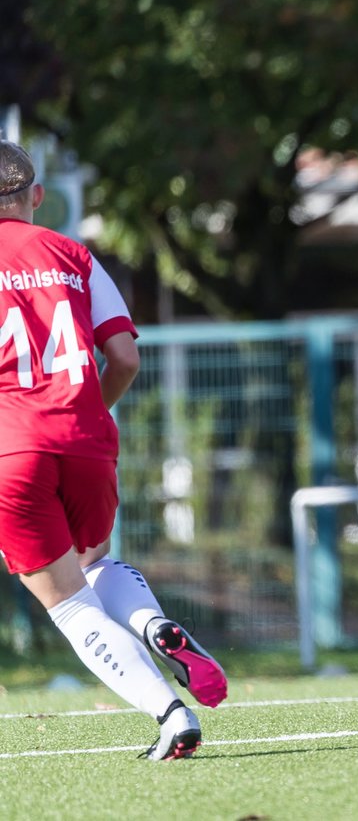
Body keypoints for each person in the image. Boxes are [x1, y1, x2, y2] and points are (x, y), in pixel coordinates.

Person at [0, 141, 227, 760]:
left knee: (70, 605)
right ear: (36, 197)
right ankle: (155, 624)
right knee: (95, 563)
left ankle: (171, 714)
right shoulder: (74, 254)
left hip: (11, 451)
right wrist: (86, 412)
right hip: (86, 437)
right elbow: (124, 356)